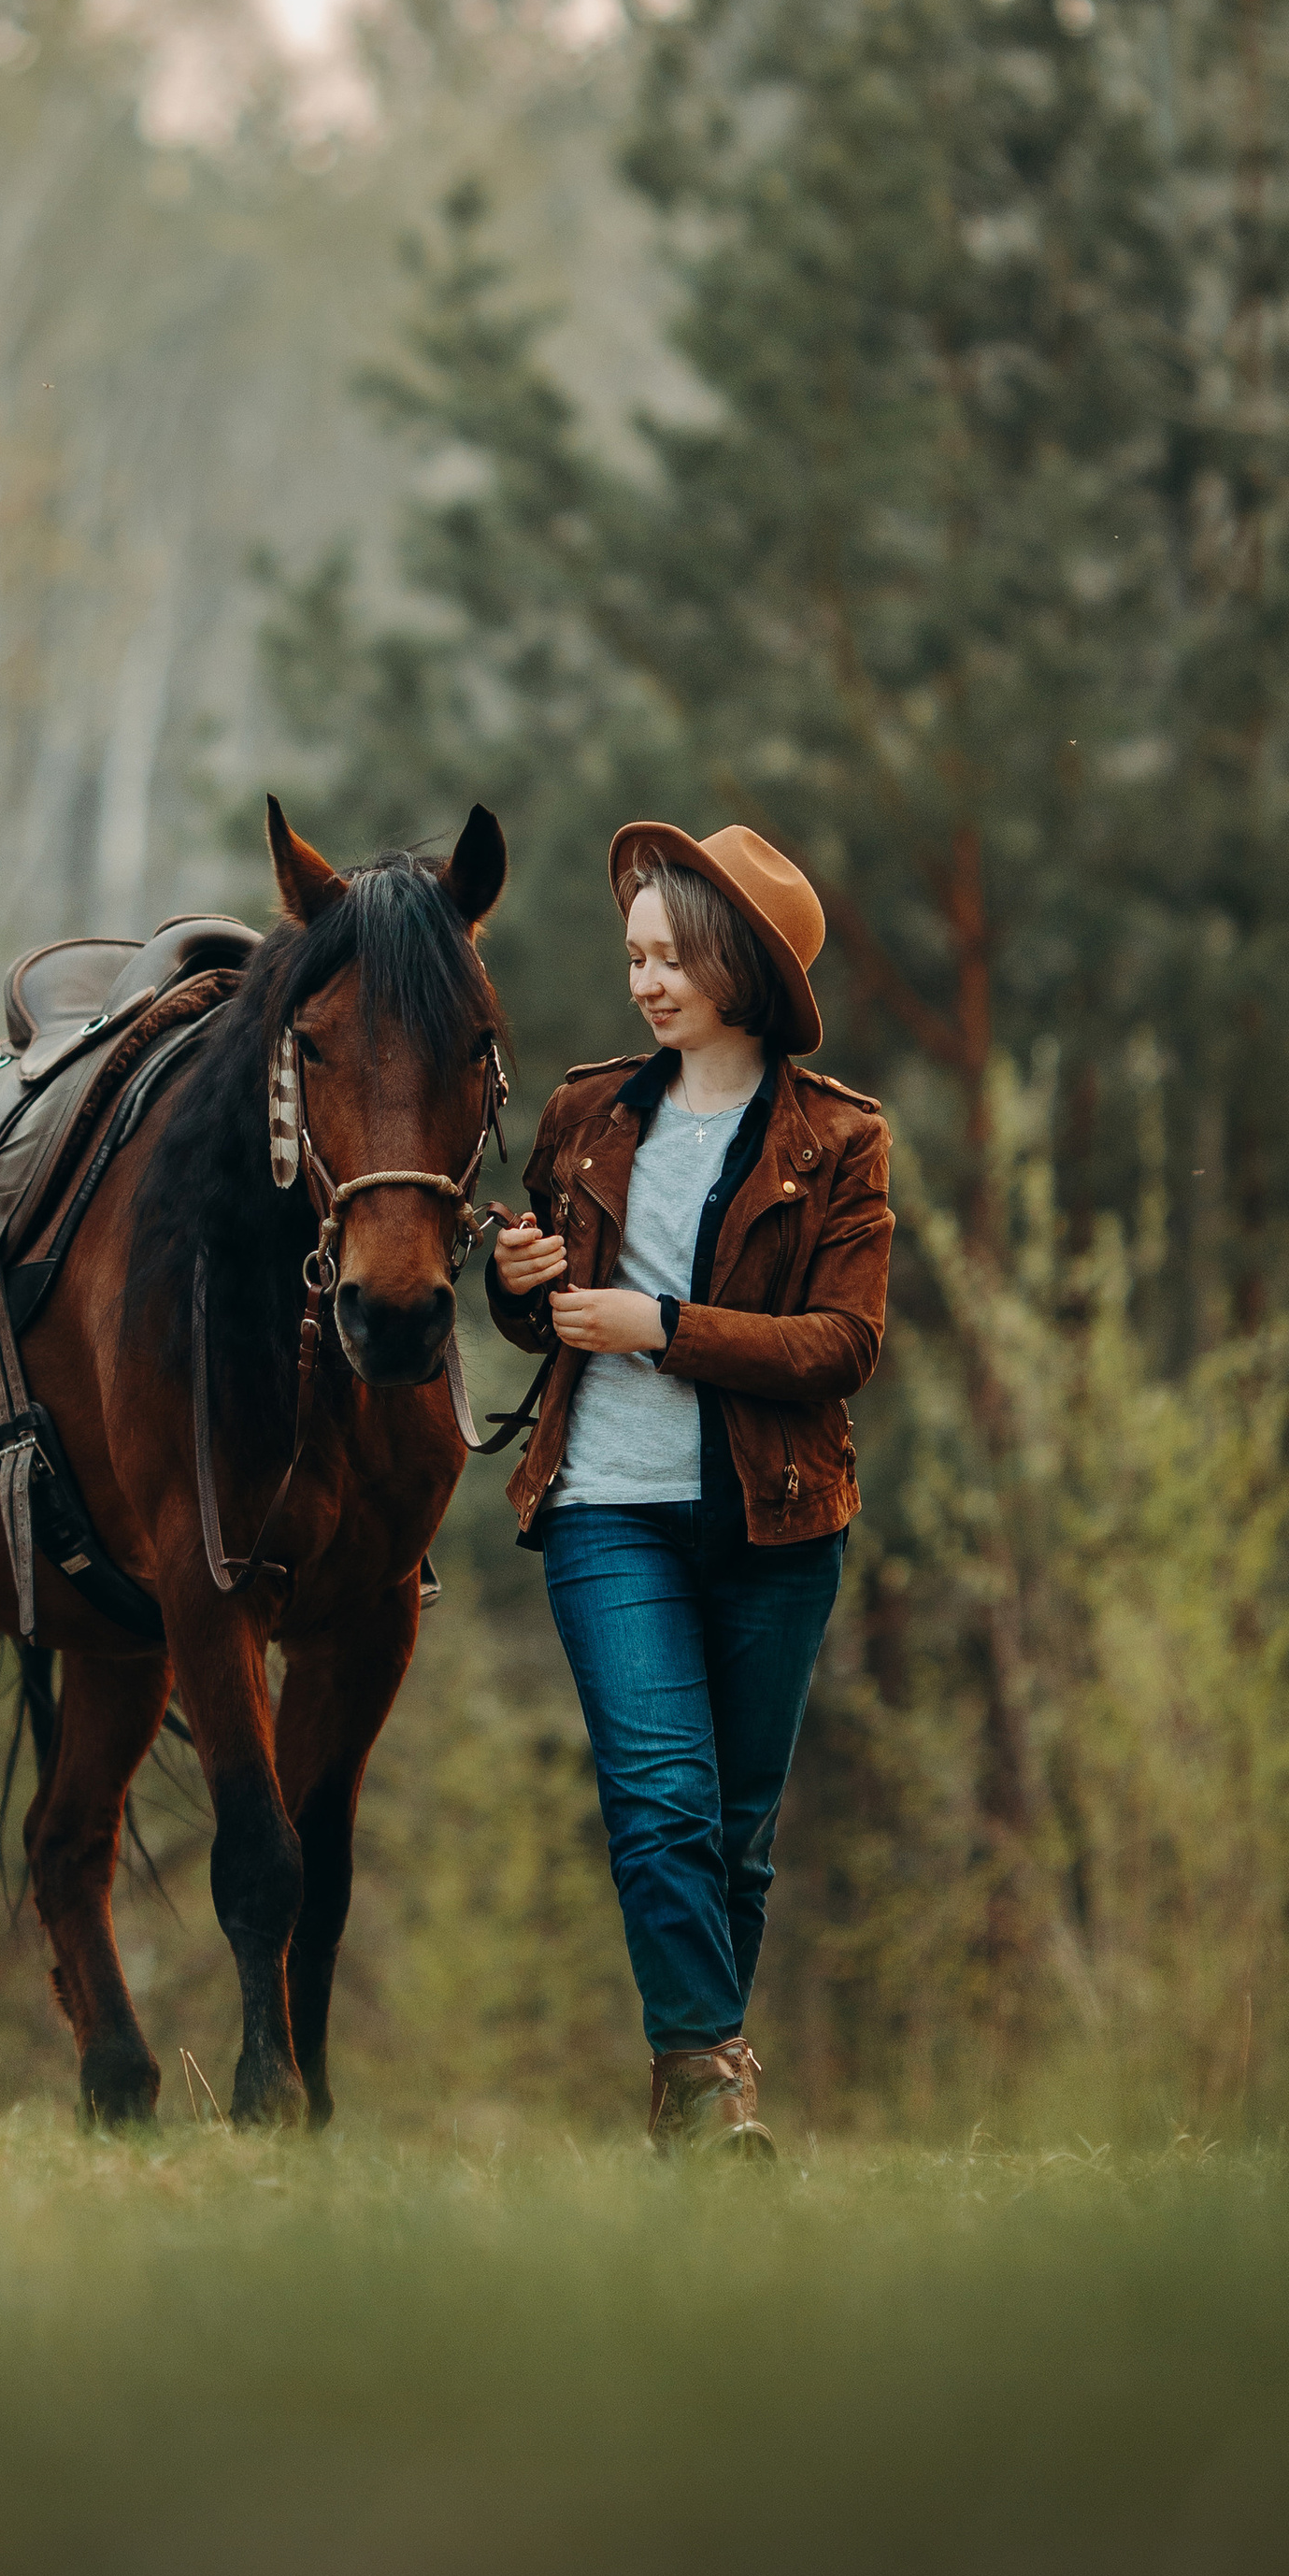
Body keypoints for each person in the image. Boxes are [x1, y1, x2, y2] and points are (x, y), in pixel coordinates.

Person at [486, 821, 893, 2160]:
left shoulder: (840, 1140)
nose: (646, 983)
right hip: (605, 1508)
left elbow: (843, 1346)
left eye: (670, 958)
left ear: (738, 966)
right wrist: (519, 1284)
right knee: (660, 1799)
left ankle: (693, 2094)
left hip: (778, 1522)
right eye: (635, 959)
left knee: (734, 1833)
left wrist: (663, 1326)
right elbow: (539, 1317)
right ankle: (714, 2087)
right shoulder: (585, 1115)